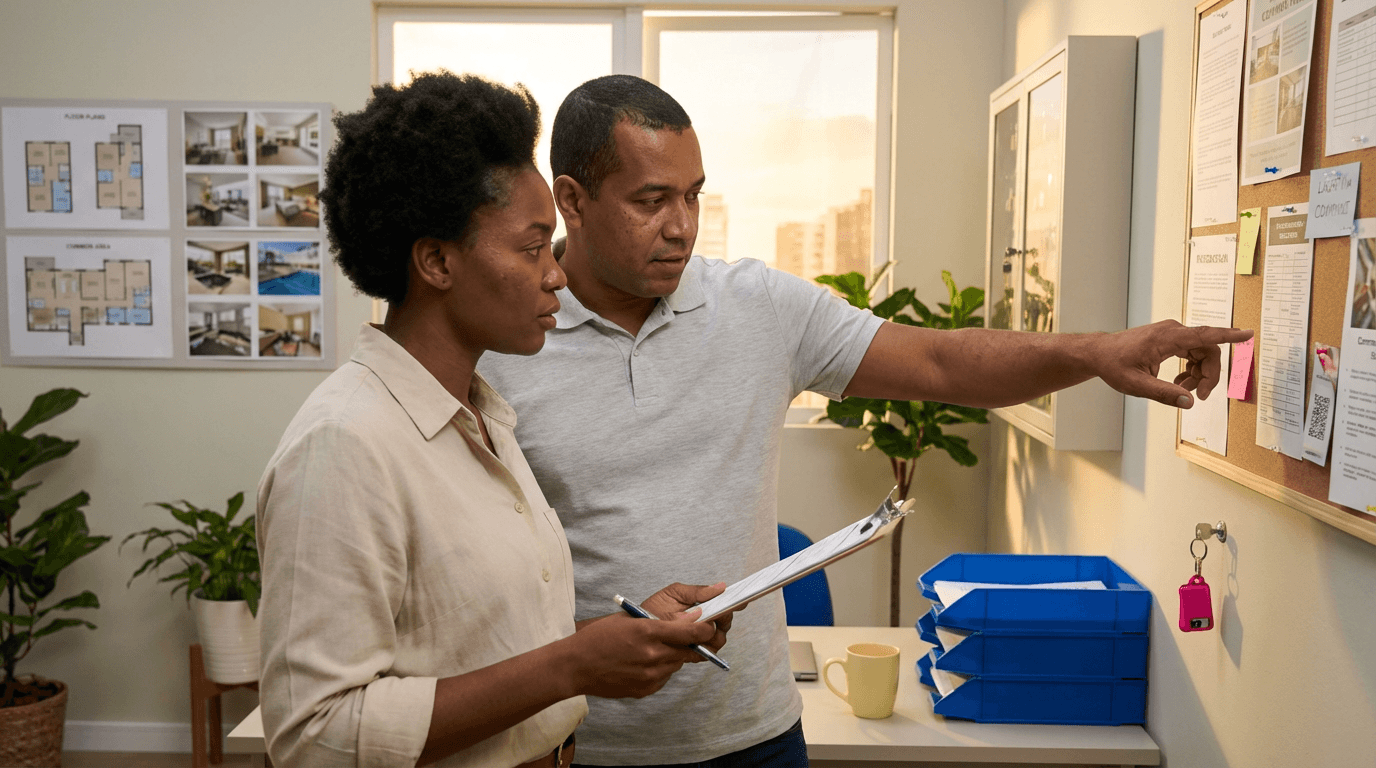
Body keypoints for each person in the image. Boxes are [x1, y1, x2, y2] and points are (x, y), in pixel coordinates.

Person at [476, 74, 1252, 767]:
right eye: (652, 201)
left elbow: (941, 364)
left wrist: (1099, 351)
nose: (682, 225)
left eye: (694, 195)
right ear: (572, 199)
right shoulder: (500, 343)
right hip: (576, 745)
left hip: (754, 739)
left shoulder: (758, 307)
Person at [256, 71, 728, 768]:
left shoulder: (482, 418)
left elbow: (479, 640)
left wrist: (617, 637)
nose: (557, 276)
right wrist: (571, 666)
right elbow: (315, 734)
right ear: (437, 261)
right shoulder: (344, 446)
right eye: (532, 247)